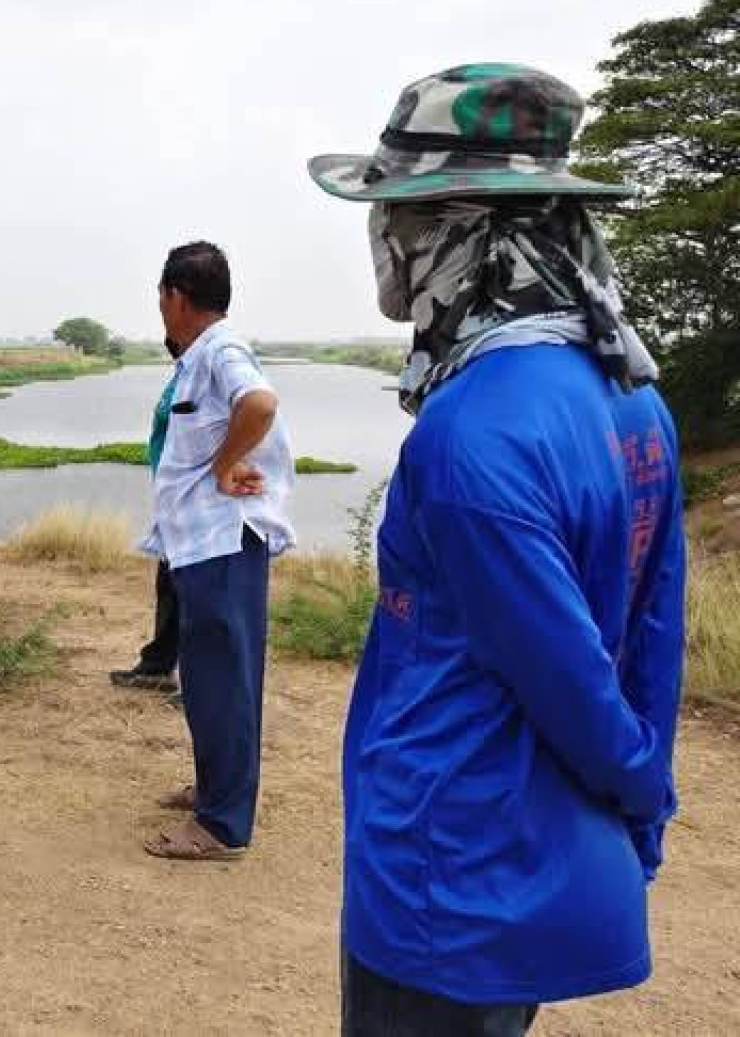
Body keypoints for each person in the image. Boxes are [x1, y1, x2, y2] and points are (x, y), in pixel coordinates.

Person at [308, 63, 685, 1034]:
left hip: (450, 869)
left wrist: (637, 790)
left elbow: (569, 684)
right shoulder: (631, 395)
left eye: (393, 212)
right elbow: (652, 635)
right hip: (536, 856)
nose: (380, 237)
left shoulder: (470, 432)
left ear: (456, 226)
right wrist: (641, 811)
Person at [140, 243, 295, 862]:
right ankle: (215, 791)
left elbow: (259, 403)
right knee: (211, 677)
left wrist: (225, 464)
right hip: (203, 544)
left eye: (162, 297)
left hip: (223, 542)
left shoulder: (221, 350)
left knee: (223, 680)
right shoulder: (201, 354)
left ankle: (222, 825)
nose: (161, 309)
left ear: (176, 297)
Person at [111, 339, 182, 696]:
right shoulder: (184, 373)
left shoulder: (217, 366)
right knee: (170, 587)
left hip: (197, 508)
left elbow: (259, 408)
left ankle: (201, 686)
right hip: (174, 502)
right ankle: (157, 667)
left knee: (194, 595)